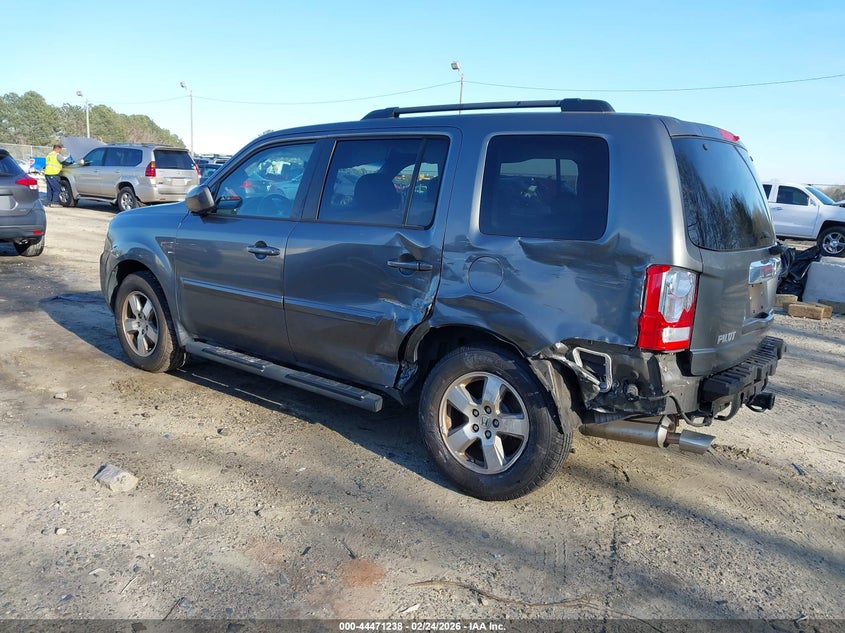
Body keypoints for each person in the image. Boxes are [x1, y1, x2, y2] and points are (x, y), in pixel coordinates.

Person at [44, 143, 66, 207]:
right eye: (60, 149)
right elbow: (64, 162)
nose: (61, 151)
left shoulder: (49, 155)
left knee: (49, 189)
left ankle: (49, 203)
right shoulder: (57, 155)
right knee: (57, 189)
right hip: (54, 173)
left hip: (47, 173)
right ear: (58, 149)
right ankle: (55, 203)